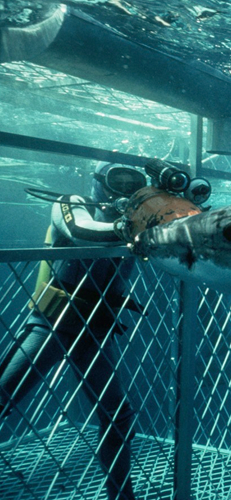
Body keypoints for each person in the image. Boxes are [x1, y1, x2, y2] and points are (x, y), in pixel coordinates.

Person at [0, 162, 148, 500]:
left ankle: (122, 496)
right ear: (98, 181)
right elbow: (82, 230)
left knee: (118, 416)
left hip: (95, 329)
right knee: (2, 395)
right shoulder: (69, 202)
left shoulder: (140, 217)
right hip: (52, 322)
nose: (123, 187)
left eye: (132, 181)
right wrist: (137, 227)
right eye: (116, 179)